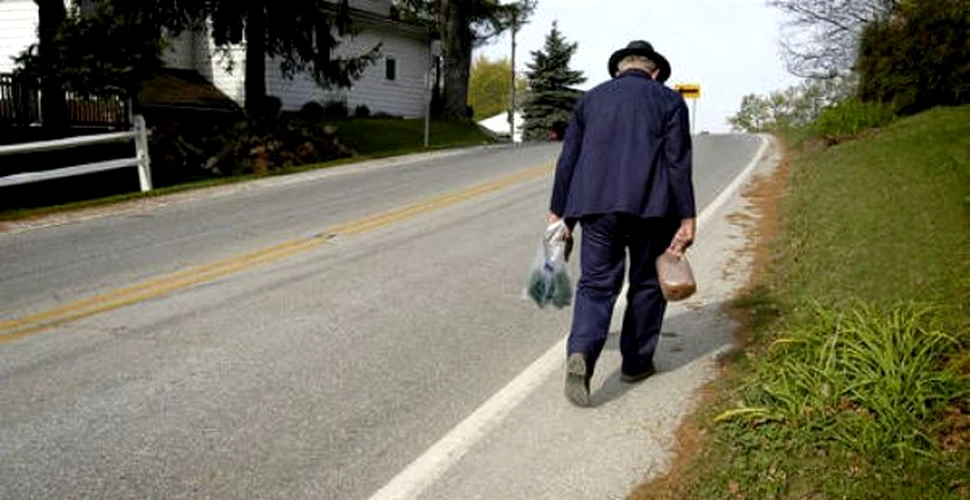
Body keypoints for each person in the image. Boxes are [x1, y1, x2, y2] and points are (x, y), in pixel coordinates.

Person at [547, 40, 696, 407]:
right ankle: (636, 362)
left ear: (619, 69)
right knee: (646, 284)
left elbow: (569, 159)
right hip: (653, 208)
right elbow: (677, 161)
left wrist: (559, 212)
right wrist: (688, 215)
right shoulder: (669, 101)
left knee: (596, 285)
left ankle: (581, 351)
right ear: (655, 71)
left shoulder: (591, 100)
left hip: (596, 209)